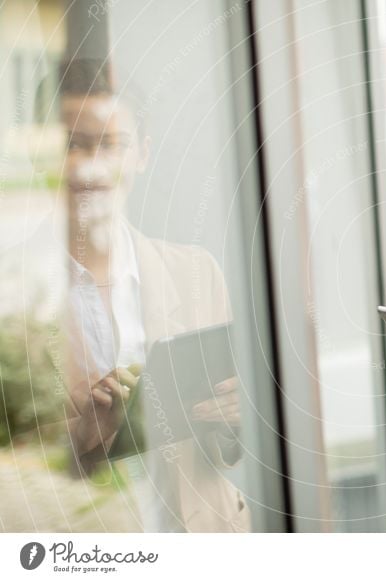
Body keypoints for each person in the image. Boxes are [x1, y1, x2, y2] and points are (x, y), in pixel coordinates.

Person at [16, 57, 250, 532]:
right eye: (71, 146)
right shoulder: (16, 292)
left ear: (141, 154)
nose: (92, 167)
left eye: (111, 145)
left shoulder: (195, 273)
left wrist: (237, 416)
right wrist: (79, 448)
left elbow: (232, 450)